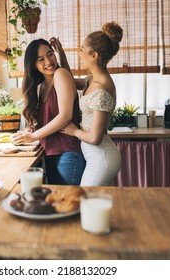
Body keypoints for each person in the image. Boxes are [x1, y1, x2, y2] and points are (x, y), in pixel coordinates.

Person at [50, 21, 123, 186]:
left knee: (86, 201)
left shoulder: (102, 88)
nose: (79, 53)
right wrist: (60, 53)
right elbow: (69, 81)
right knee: (100, 206)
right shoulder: (93, 79)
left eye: (82, 49)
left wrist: (74, 131)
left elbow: (95, 137)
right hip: (99, 156)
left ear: (94, 55)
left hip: (101, 158)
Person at [11, 39, 85, 185]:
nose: (48, 61)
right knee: (57, 203)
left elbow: (65, 116)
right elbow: (48, 119)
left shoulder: (61, 74)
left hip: (68, 153)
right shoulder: (41, 86)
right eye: (41, 59)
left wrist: (33, 136)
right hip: (51, 153)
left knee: (66, 205)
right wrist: (31, 129)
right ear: (33, 65)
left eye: (50, 54)